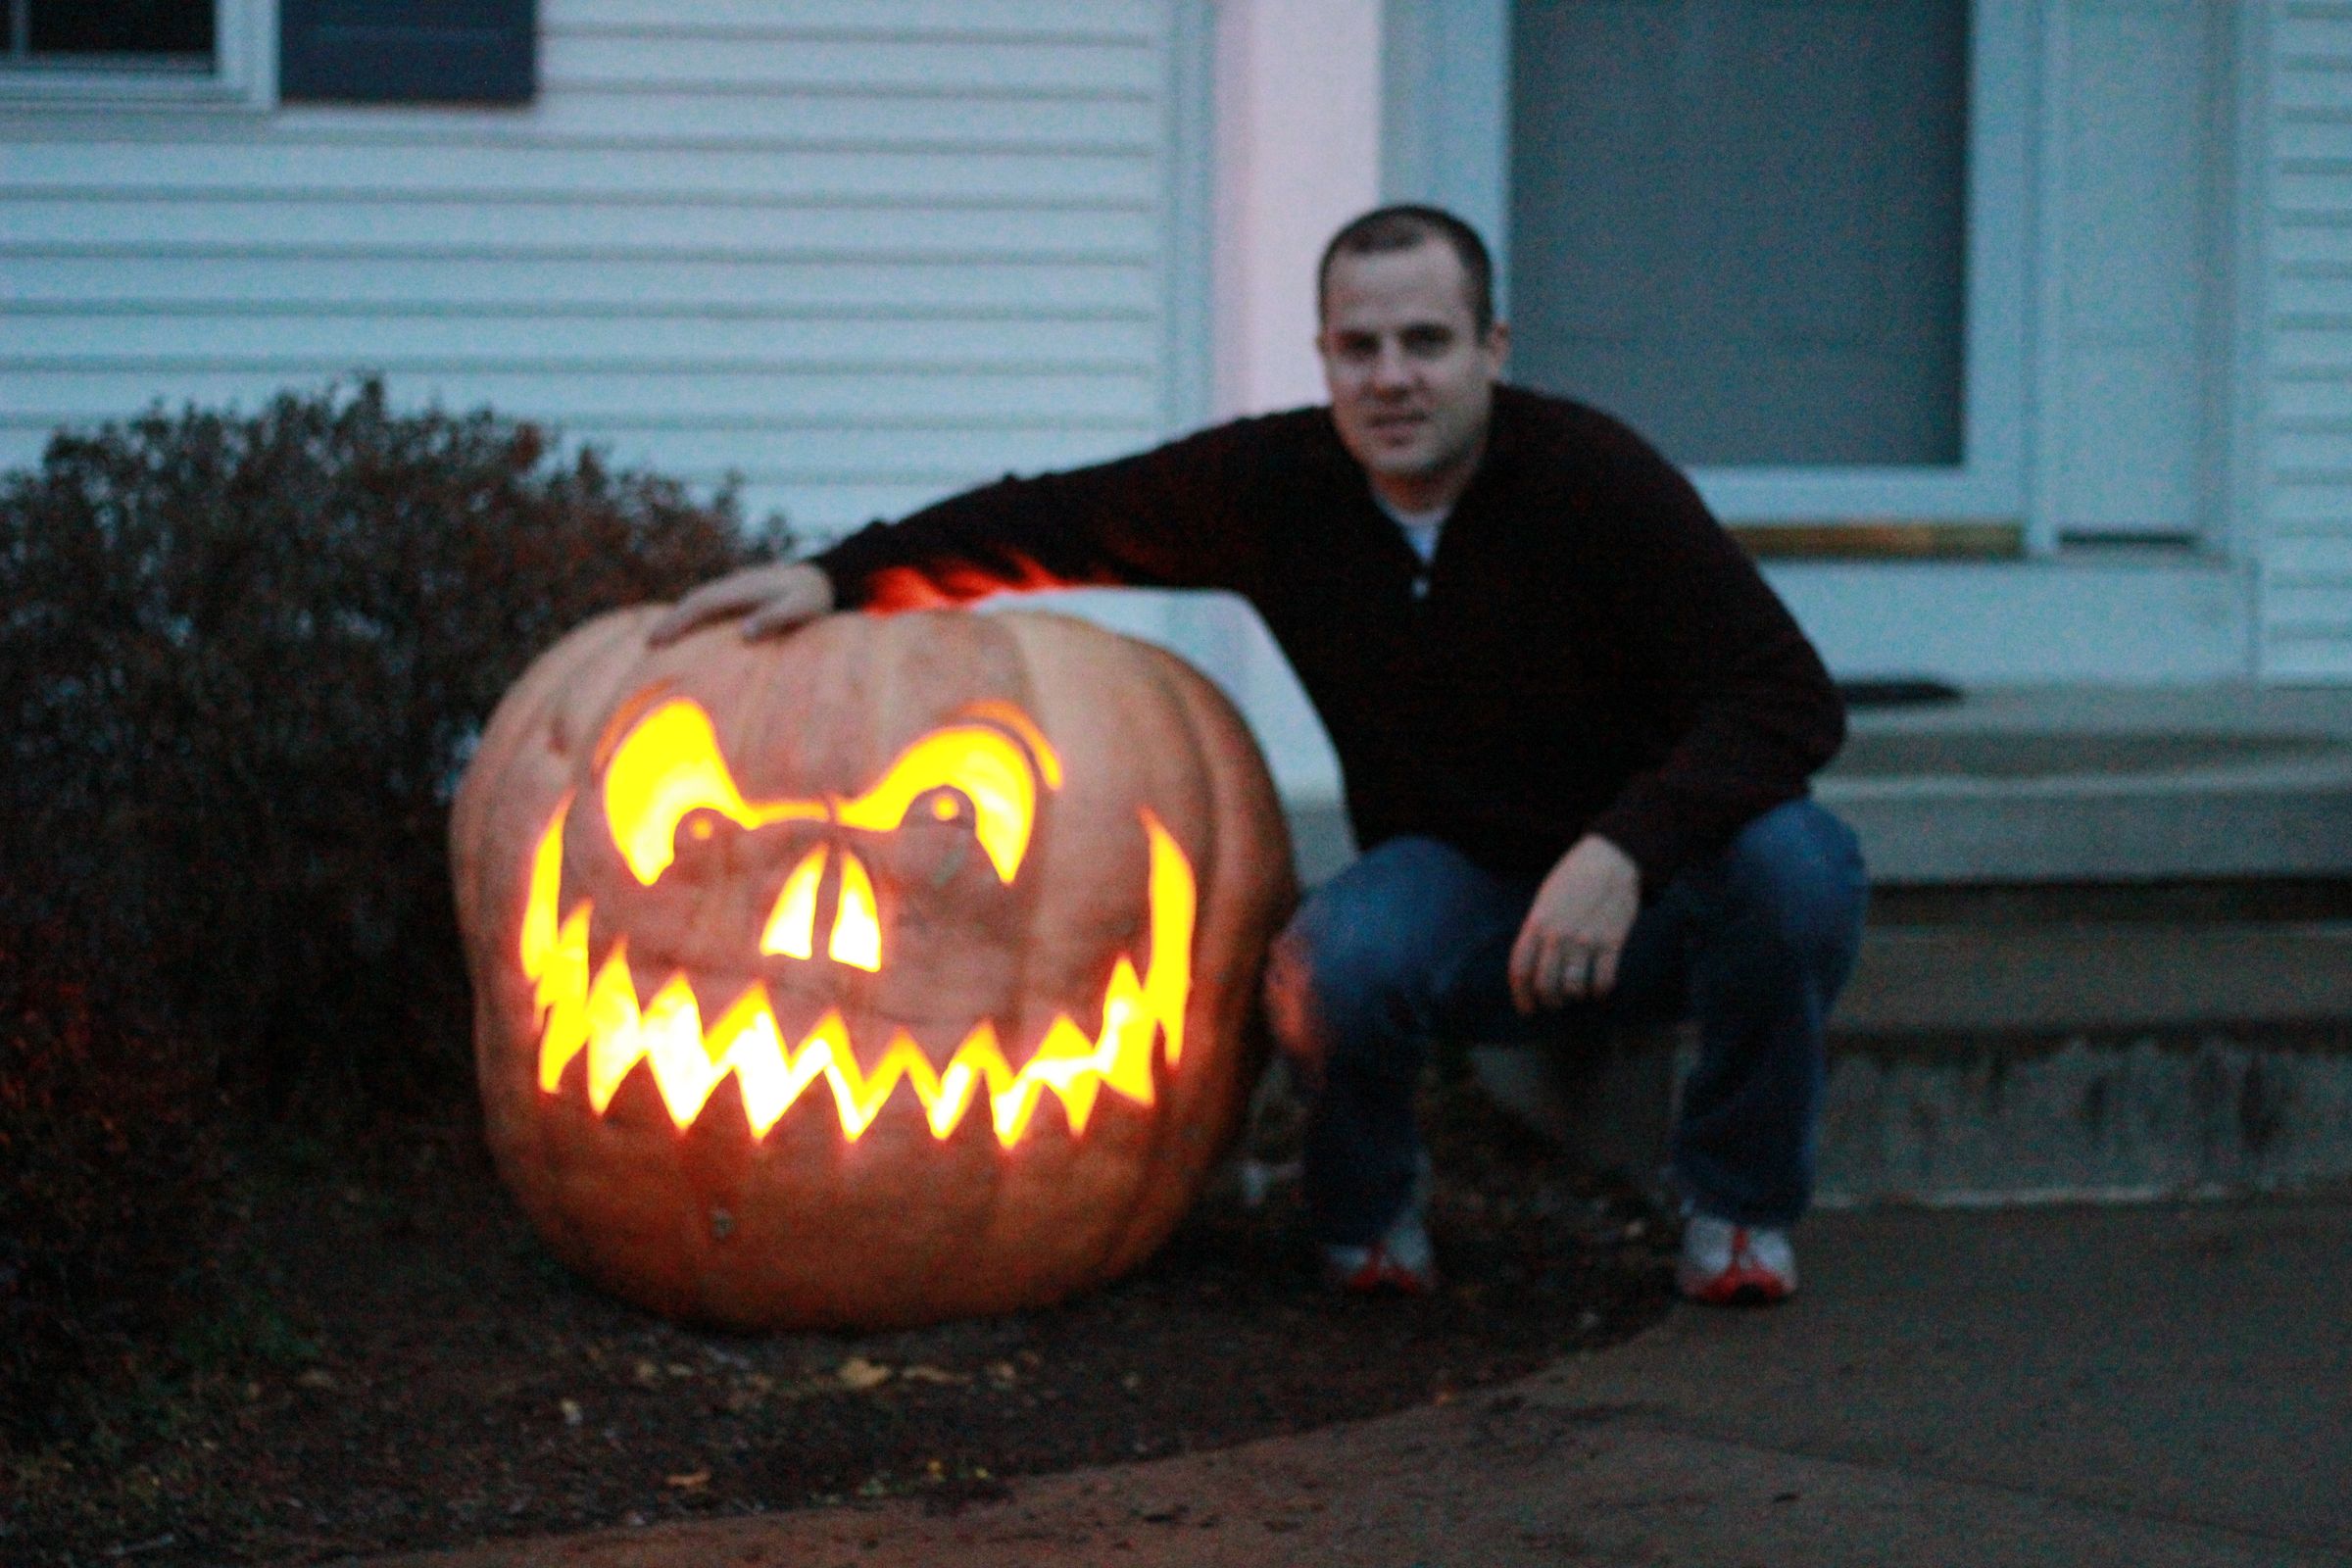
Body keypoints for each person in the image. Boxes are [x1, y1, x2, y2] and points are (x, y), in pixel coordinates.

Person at [653, 205, 1867, 1306]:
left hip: (1652, 899)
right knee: (1328, 958)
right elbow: (1050, 518)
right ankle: (1366, 1222)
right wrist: (836, 573)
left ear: (1493, 348)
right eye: (1359, 348)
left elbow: (1788, 698)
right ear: (1326, 358)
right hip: (1467, 891)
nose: (1392, 377)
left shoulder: (1592, 479)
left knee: (1796, 862)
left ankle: (1739, 1211)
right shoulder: (1280, 487)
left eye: (1426, 342)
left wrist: (1624, 848)